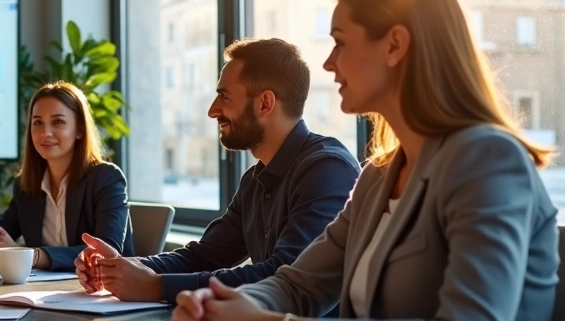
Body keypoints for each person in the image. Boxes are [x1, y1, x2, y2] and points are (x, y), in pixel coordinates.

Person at [171, 0, 559, 321]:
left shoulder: (487, 160)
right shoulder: (377, 176)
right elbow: (299, 285)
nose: (329, 62)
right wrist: (226, 308)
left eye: (339, 42)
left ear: (395, 45)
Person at [75, 38, 359, 302]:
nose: (212, 110)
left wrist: (155, 286)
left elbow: (283, 276)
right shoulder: (255, 179)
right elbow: (203, 256)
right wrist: (125, 267)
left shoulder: (327, 170)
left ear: (265, 103)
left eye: (225, 97)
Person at [0, 81, 133, 271]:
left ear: (79, 130)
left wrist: (31, 256)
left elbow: (107, 250)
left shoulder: (106, 178)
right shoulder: (26, 185)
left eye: (58, 122)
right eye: (37, 123)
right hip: (44, 293)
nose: (45, 133)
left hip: (107, 292)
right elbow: (6, 232)